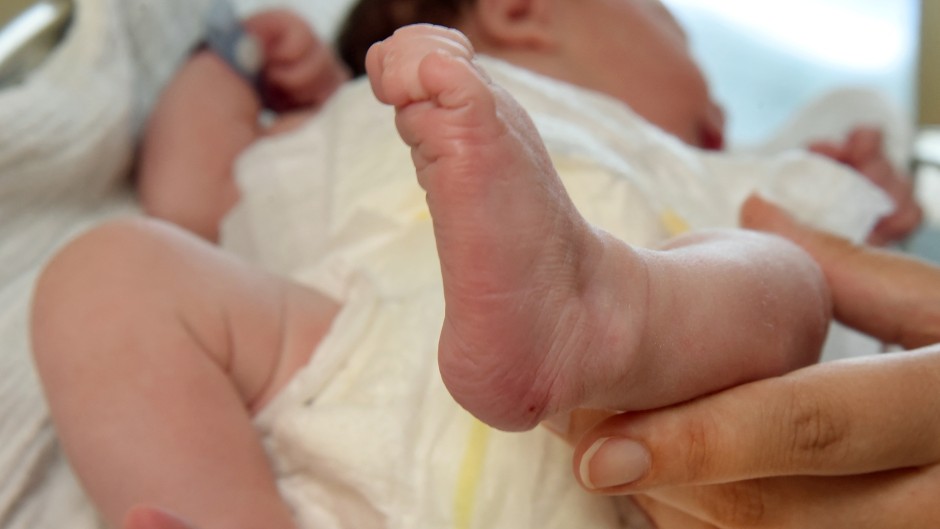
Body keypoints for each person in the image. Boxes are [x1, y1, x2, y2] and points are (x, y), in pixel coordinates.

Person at [26, 2, 922, 529]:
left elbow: (860, 251)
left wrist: (850, 183)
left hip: (664, 431)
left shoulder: (717, 171)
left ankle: (610, 309)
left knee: (787, 271)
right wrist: (232, 62)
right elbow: (189, 198)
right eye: (674, 31)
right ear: (520, 9)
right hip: (350, 379)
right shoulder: (344, 118)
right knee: (110, 275)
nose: (719, 105)